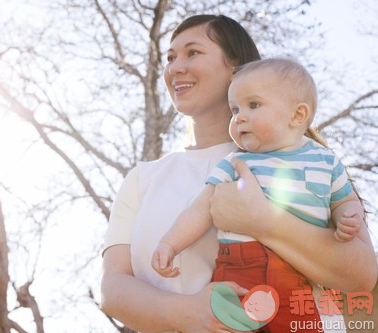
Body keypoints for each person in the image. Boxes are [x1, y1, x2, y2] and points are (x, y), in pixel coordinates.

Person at [101, 14, 377, 333]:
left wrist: (262, 220)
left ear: (236, 67)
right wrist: (185, 314)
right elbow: (113, 288)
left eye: (193, 53)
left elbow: (361, 275)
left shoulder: (303, 159)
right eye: (170, 57)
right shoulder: (142, 179)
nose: (175, 68)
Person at [151, 57, 364, 331]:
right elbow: (201, 207)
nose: (239, 116)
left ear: (297, 115)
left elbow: (345, 200)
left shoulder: (325, 161)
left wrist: (349, 216)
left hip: (298, 270)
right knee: (227, 325)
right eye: (234, 109)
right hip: (239, 269)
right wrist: (170, 243)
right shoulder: (236, 162)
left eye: (253, 105)